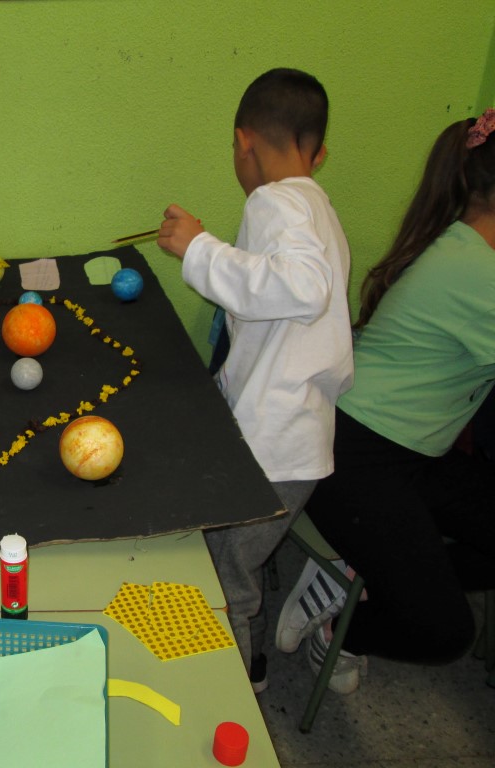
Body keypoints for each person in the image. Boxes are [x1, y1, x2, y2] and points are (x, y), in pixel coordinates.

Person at [276, 108, 495, 694]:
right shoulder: (478, 269)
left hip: (413, 451)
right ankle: (345, 629)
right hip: (357, 453)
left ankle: (365, 577)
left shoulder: (465, 245)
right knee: (445, 633)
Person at [156, 68, 354, 691]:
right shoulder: (317, 207)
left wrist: (199, 248)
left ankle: (229, 702)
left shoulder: (274, 200)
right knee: (239, 569)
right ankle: (256, 667)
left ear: (244, 142)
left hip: (274, 448)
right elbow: (280, 300)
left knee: (225, 584)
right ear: (317, 152)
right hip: (296, 439)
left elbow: (302, 287)